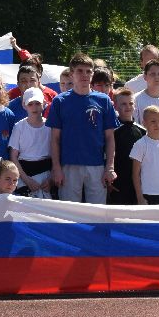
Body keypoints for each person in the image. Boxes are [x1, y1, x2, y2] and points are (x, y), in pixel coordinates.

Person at [46, 53, 119, 204]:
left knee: (97, 213)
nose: (84, 75)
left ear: (92, 74)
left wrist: (109, 168)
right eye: (80, 71)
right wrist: (56, 168)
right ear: (71, 74)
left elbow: (110, 138)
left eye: (88, 71)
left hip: (97, 166)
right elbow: (55, 139)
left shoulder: (104, 100)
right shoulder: (60, 101)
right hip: (69, 166)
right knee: (69, 214)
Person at [9, 87, 54, 198]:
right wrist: (27, 180)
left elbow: (55, 155)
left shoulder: (50, 126)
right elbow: (13, 156)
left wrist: (51, 179)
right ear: (24, 105)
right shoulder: (19, 127)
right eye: (30, 104)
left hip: (46, 174)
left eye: (37, 103)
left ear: (44, 103)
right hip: (25, 173)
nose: (34, 107)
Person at [130, 106, 159, 205]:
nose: (157, 125)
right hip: (147, 195)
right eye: (153, 121)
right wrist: (140, 198)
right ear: (144, 123)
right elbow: (135, 174)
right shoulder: (140, 144)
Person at [107, 87, 146, 205]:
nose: (128, 107)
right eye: (123, 104)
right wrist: (108, 182)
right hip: (118, 185)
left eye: (131, 103)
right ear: (116, 106)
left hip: (139, 185)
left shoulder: (143, 131)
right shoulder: (112, 131)